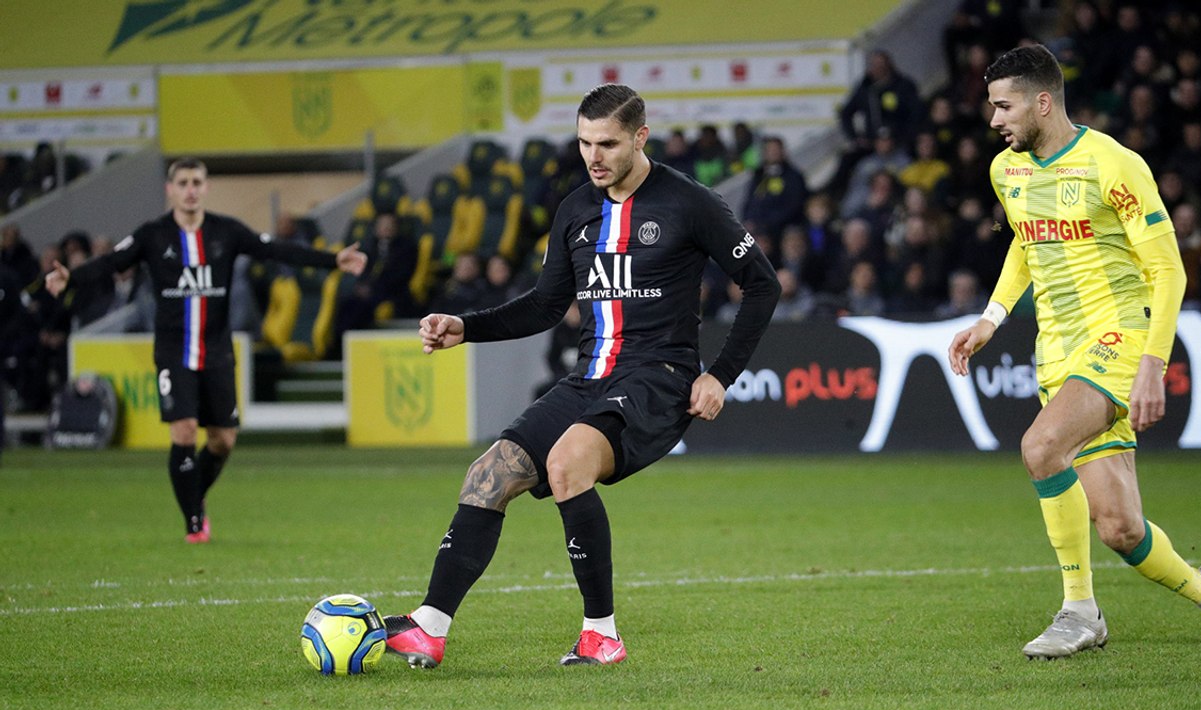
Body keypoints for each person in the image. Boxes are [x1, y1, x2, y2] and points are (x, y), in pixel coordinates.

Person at [383, 84, 780, 669]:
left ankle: (602, 636)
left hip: (659, 378)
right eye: (584, 142)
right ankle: (429, 626)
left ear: (641, 138)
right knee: (488, 474)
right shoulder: (575, 209)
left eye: (609, 144)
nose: (594, 156)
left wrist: (719, 375)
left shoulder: (691, 203)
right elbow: (546, 306)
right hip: (588, 378)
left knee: (567, 463)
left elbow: (763, 284)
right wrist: (465, 327)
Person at [947, 44, 1201, 660]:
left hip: (1119, 334)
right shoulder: (1005, 171)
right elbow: (1025, 241)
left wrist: (1154, 364)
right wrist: (991, 317)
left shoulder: (1114, 165)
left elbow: (1169, 270)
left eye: (1003, 106)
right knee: (1121, 529)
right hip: (1058, 351)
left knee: (1041, 448)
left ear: (1043, 102)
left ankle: (1079, 612)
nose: (994, 120)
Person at [45, 158, 366, 543]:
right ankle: (194, 521)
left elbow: (276, 250)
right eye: (183, 182)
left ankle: (192, 494)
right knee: (182, 432)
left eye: (197, 181)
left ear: (206, 187)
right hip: (172, 351)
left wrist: (333, 260)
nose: (191, 189)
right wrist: (70, 278)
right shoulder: (153, 235)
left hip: (215, 351)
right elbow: (112, 262)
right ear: (171, 189)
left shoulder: (225, 232)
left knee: (222, 440)